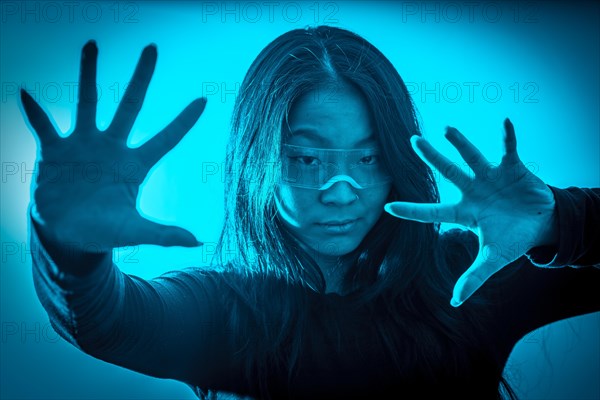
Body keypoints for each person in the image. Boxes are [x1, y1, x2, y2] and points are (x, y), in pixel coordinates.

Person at [22, 25, 599, 400]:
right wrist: (69, 250)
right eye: (305, 158)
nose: (341, 191)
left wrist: (559, 222)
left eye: (369, 156)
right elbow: (108, 321)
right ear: (257, 162)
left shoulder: (469, 278)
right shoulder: (225, 311)